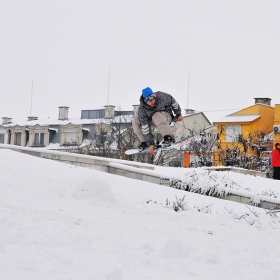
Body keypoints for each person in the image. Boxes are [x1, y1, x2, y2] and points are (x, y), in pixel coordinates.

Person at [132, 87, 183, 155]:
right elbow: (145, 127)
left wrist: (178, 114)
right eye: (150, 101)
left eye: (153, 99)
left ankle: (169, 138)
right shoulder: (142, 110)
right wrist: (150, 143)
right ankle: (145, 142)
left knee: (156, 115)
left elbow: (173, 101)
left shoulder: (161, 96)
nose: (152, 102)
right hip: (154, 121)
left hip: (166, 117)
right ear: (145, 101)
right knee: (135, 121)